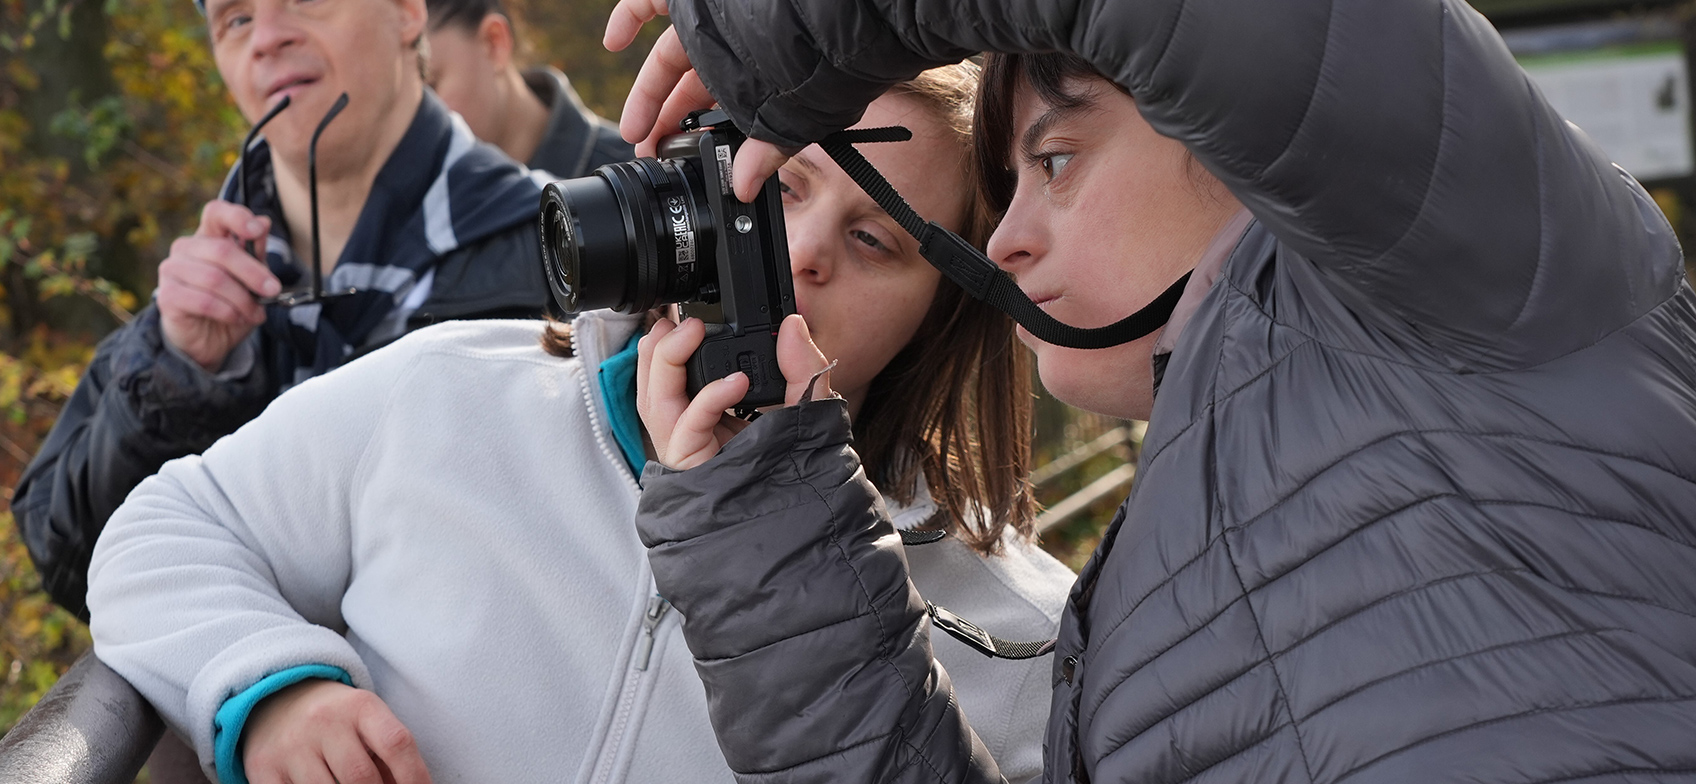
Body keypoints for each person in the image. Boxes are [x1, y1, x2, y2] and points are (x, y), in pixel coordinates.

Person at [613, 0, 1696, 782]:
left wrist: (794, 23)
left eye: (1054, 160)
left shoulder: (1490, 264)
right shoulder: (1134, 592)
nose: (1002, 240)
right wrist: (770, 520)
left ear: (1226, 130)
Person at [86, 66, 1077, 784]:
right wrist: (272, 690)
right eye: (778, 187)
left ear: (945, 309)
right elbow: (166, 528)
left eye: (876, 239)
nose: (804, 253)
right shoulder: (449, 392)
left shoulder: (1024, 640)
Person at [11, 0, 552, 622]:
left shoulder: (555, 255)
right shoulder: (197, 302)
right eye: (235, 19)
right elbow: (70, 566)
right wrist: (182, 375)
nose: (265, 39)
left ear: (406, 13)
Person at [424, 0, 632, 178]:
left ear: (494, 42)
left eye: (431, 87)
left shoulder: (636, 176)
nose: (421, 115)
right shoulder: (425, 206)